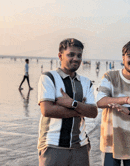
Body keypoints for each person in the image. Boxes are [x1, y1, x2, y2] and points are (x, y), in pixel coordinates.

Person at [37, 38, 98, 166]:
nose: (76, 58)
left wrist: (72, 103)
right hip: (53, 145)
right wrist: (81, 109)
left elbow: (93, 112)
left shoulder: (86, 82)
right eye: (71, 54)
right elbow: (47, 110)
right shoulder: (49, 78)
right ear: (60, 56)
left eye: (79, 55)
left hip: (80, 146)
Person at [97, 40, 130, 166]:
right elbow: (100, 101)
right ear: (123, 57)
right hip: (109, 144)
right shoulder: (110, 77)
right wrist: (127, 100)